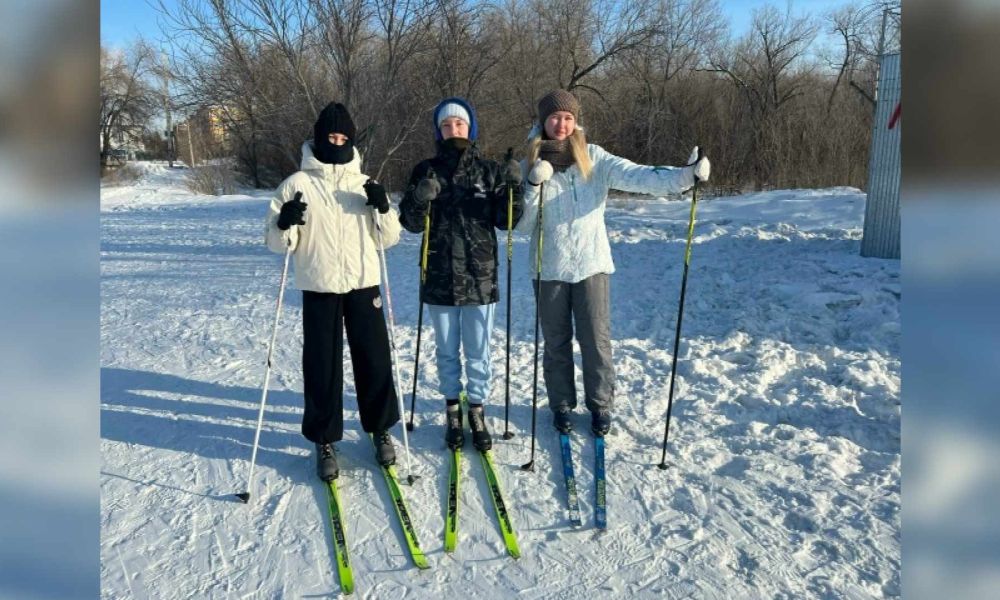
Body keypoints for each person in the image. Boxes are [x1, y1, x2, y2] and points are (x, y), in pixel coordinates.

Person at [516, 89, 711, 437]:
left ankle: (600, 404)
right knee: (556, 342)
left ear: (576, 122)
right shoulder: (528, 164)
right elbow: (521, 226)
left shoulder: (594, 157)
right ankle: (561, 404)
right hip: (548, 267)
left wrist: (685, 176)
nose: (561, 124)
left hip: (591, 264)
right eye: (555, 117)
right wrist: (532, 185)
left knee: (596, 340)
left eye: (568, 118)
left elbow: (639, 176)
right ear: (543, 121)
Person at [265, 101, 402, 481]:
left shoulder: (364, 183)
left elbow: (388, 239)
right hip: (319, 284)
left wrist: (383, 208)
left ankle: (380, 428)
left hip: (363, 281)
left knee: (374, 359)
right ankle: (324, 438)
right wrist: (284, 223)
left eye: (344, 138)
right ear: (318, 138)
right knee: (321, 364)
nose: (337, 143)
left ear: (352, 141)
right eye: (331, 137)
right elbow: (278, 243)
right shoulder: (296, 184)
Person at [398, 97, 524, 452]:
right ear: (438, 131)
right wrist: (420, 198)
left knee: (479, 351)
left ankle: (477, 409)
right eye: (446, 125)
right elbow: (410, 223)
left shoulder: (488, 170)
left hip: (480, 278)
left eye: (459, 123)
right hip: (439, 276)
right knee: (447, 351)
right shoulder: (426, 170)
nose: (453, 129)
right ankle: (453, 408)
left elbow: (507, 221)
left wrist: (514, 188)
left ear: (471, 128)